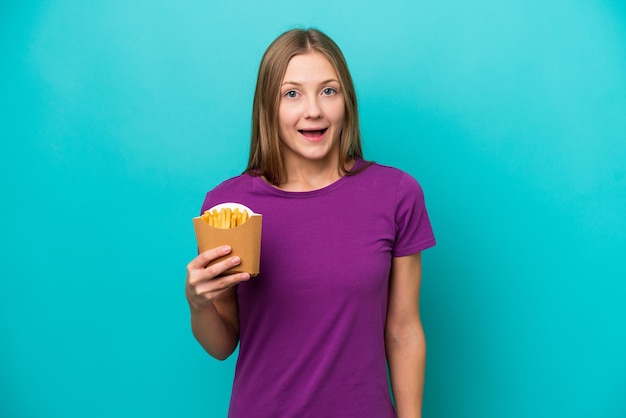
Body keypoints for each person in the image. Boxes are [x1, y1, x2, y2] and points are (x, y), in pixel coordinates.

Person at [185, 28, 436, 418]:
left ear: (347, 101)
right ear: (268, 106)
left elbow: (403, 331)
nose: (313, 110)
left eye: (328, 91)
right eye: (292, 93)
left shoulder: (396, 194)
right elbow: (222, 345)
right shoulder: (227, 206)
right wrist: (199, 304)